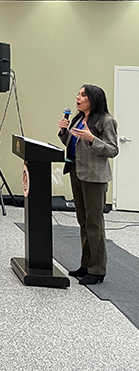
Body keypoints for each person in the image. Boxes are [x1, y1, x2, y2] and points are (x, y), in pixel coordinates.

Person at [58, 84, 118, 286]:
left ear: (94, 99)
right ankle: (85, 264)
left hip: (94, 177)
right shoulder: (78, 119)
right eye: (78, 94)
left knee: (94, 223)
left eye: (83, 95)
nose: (78, 97)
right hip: (76, 171)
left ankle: (97, 269)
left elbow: (112, 149)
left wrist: (93, 138)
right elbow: (74, 145)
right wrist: (64, 132)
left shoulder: (106, 121)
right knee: (83, 221)